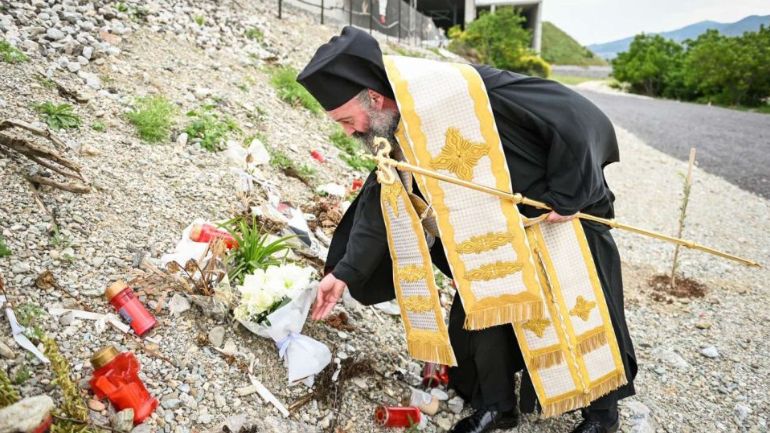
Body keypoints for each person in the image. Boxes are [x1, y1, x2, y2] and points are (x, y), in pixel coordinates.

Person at [298, 26, 637, 433]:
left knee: (583, 309)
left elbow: (576, 114)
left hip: (555, 219)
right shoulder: (391, 130)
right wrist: (344, 272)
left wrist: (569, 193)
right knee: (482, 313)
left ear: (374, 97)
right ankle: (498, 407)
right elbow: (382, 204)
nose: (349, 132)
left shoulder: (461, 89)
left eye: (346, 120)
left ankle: (602, 416)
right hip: (487, 238)